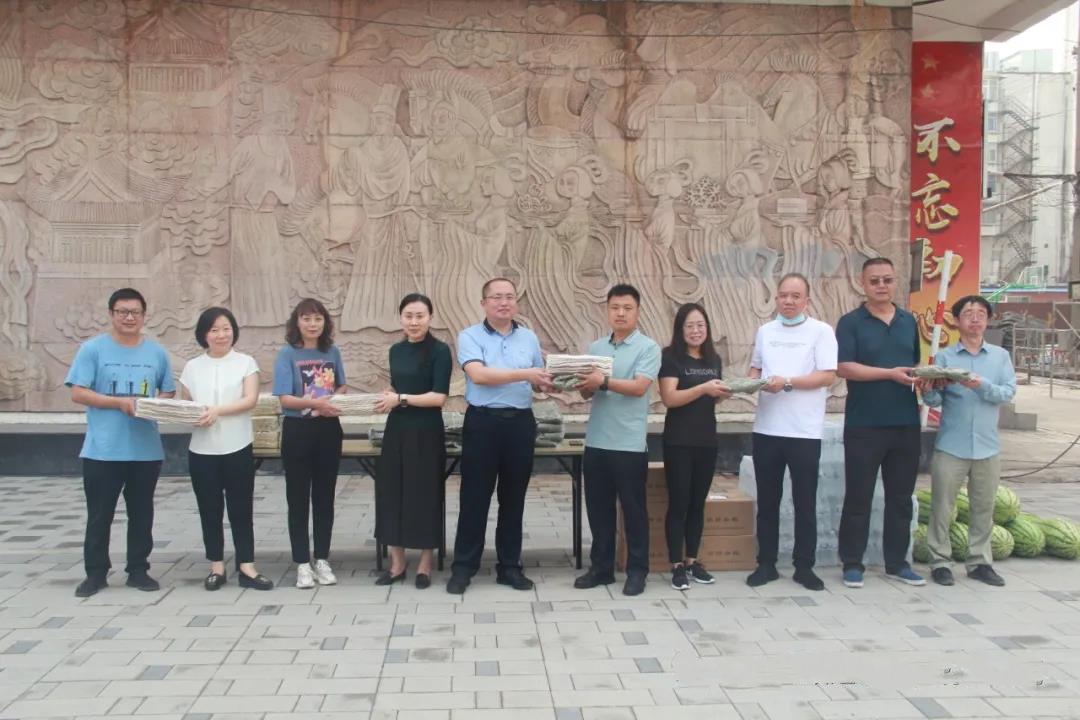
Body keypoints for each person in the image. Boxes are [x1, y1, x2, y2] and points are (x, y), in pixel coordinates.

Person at [66, 288, 175, 598]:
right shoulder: (93, 349)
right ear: (111, 314)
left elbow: (167, 391)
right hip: (103, 449)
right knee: (100, 514)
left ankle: (138, 570)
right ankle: (96, 573)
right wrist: (119, 403)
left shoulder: (156, 353)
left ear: (144, 315)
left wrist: (155, 404)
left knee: (142, 513)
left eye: (135, 312)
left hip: (145, 449)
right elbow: (78, 392)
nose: (129, 317)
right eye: (123, 312)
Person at [448, 278, 552, 595]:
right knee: (474, 498)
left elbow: (537, 382)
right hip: (483, 423)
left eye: (509, 297)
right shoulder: (469, 336)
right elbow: (478, 375)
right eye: (496, 297)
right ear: (484, 303)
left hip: (520, 424)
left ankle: (509, 567)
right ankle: (463, 567)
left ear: (516, 302)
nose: (504, 302)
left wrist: (553, 379)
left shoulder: (529, 338)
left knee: (513, 499)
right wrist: (526, 374)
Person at [836, 257, 925, 588]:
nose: (881, 286)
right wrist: (890, 374)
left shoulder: (908, 321)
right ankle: (852, 563)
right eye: (874, 280)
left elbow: (914, 364)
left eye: (887, 279)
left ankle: (897, 562)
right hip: (864, 424)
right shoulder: (850, 323)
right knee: (858, 497)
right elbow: (844, 367)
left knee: (901, 498)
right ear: (862, 283)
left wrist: (927, 377)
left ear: (895, 281)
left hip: (905, 423)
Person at [746, 273, 838, 591]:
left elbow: (827, 376)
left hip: (804, 432)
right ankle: (766, 564)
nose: (788, 301)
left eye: (795, 296)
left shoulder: (821, 332)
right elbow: (756, 368)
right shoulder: (765, 331)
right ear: (776, 298)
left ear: (807, 301)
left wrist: (787, 382)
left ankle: (804, 566)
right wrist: (749, 382)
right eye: (783, 295)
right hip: (767, 428)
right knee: (768, 501)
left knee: (804, 502)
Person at [921, 295, 1017, 587]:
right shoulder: (945, 357)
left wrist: (980, 384)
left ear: (988, 320)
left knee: (984, 507)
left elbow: (1007, 393)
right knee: (942, 507)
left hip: (988, 446)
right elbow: (934, 400)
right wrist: (928, 389)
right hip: (952, 444)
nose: (975, 319)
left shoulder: (1000, 357)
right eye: (968, 313)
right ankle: (940, 561)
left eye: (981, 314)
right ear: (957, 320)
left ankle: (979, 562)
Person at [575, 284, 662, 596]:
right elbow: (587, 393)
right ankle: (601, 569)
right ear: (607, 310)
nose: (620, 313)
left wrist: (603, 381)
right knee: (599, 510)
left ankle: (637, 571)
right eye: (615, 307)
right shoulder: (597, 347)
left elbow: (639, 388)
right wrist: (579, 381)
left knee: (633, 511)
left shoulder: (648, 348)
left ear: (637, 311)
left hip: (628, 444)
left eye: (627, 308)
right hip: (596, 440)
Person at [178, 307, 273, 591]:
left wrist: (217, 411)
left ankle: (246, 565)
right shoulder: (192, 367)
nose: (221, 335)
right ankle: (216, 566)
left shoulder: (245, 363)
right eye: (214, 330)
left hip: (237, 446)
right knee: (209, 509)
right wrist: (195, 415)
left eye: (226, 328)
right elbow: (187, 404)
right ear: (204, 335)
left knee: (241, 508)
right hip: (202, 450)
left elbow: (250, 400)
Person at [373, 294, 452, 589]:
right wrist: (390, 396)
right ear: (400, 318)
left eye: (420, 316)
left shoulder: (440, 351)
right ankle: (397, 563)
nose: (414, 322)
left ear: (430, 317)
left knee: (425, 494)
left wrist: (401, 398)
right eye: (408, 316)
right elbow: (398, 388)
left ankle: (425, 564)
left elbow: (439, 397)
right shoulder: (396, 350)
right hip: (397, 428)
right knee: (391, 493)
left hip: (427, 430)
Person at [272, 298, 346, 589]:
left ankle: (322, 559)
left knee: (325, 497)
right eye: (306, 319)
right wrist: (315, 404)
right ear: (297, 322)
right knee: (298, 498)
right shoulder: (287, 354)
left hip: (328, 429)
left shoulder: (332, 352)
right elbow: (284, 398)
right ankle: (302, 562)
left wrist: (332, 402)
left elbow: (341, 385)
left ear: (325, 322)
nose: (312, 324)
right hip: (297, 430)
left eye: (317, 319)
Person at [658, 303, 730, 591]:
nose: (696, 330)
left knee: (698, 503)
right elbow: (670, 398)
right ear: (680, 329)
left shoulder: (713, 359)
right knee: (679, 503)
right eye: (689, 325)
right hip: (678, 441)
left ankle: (692, 561)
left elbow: (712, 397)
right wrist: (703, 388)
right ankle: (676, 564)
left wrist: (723, 393)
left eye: (700, 325)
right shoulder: (670, 357)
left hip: (707, 440)